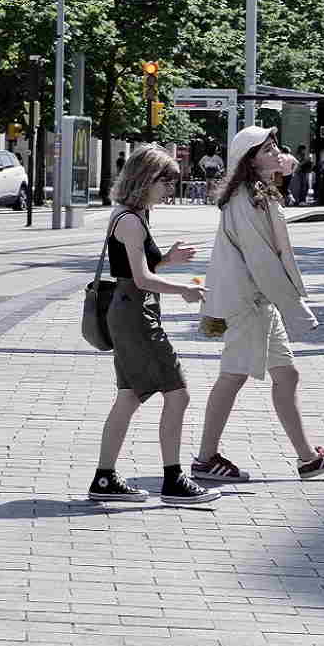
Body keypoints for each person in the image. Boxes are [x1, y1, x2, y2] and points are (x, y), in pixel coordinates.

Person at [193, 126, 324, 483]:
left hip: (259, 300)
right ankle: (205, 458)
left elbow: (287, 167)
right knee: (233, 376)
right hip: (248, 299)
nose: (277, 151)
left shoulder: (257, 190)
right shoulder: (247, 199)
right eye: (267, 148)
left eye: (275, 144)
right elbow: (262, 260)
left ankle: (307, 458)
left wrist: (281, 165)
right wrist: (296, 307)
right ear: (250, 161)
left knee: (286, 374)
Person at [87, 145, 219, 505]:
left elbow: (138, 270)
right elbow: (141, 279)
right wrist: (184, 290)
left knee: (129, 397)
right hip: (135, 314)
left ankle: (104, 478)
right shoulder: (129, 221)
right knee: (178, 392)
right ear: (145, 178)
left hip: (130, 311)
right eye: (166, 180)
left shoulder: (134, 215)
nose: (170, 188)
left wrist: (168, 259)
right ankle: (174, 479)